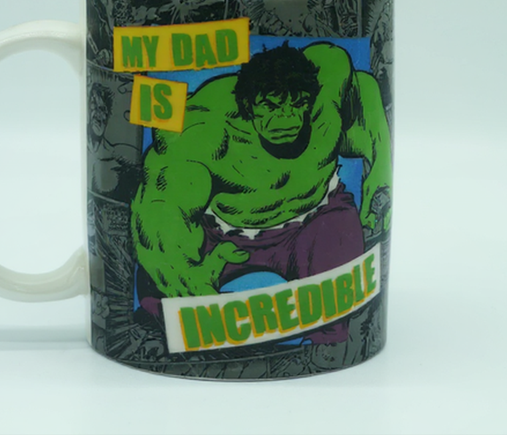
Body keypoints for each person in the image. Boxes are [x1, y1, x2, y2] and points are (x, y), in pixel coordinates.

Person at [131, 42, 391, 343]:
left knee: (337, 320)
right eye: (270, 106)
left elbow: (366, 96)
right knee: (161, 300)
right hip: (222, 235)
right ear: (247, 104)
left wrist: (379, 174)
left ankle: (328, 353)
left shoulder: (329, 90)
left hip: (314, 219)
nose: (287, 119)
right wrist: (183, 273)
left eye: (297, 104)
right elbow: (161, 207)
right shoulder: (205, 126)